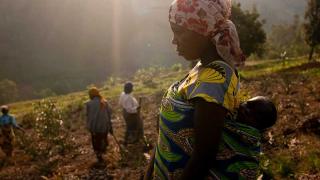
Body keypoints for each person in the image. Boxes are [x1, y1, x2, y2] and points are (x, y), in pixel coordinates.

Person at [144, 0, 256, 179]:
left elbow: (202, 159)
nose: (173, 40)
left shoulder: (214, 80)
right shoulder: (202, 69)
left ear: (203, 29)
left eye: (179, 31)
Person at [85, 87, 113, 162]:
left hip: (94, 127)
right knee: (103, 138)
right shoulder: (105, 102)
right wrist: (110, 126)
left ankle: (99, 154)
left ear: (91, 95)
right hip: (104, 126)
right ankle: (103, 151)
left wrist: (88, 126)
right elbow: (109, 114)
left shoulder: (88, 104)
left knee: (96, 140)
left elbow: (87, 115)